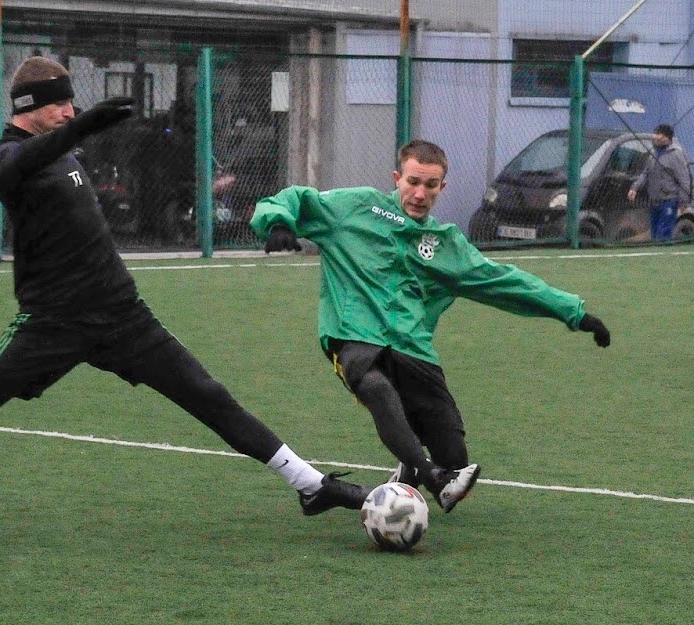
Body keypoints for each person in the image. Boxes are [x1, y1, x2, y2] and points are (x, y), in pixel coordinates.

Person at [0, 56, 367, 532]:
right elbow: (20, 162)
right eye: (59, 104)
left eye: (72, 103)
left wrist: (83, 127)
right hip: (51, 323)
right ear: (29, 108)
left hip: (121, 314)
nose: (68, 111)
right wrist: (85, 123)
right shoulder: (6, 156)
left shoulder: (66, 150)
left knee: (208, 396)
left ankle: (311, 486)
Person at [252, 139, 611, 513]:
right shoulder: (356, 207)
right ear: (397, 178)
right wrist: (278, 221)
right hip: (352, 335)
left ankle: (415, 468)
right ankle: (428, 475)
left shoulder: (446, 245)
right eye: (413, 182)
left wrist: (575, 313)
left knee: (455, 457)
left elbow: (505, 281)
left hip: (412, 348)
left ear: (443, 187)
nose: (420, 193)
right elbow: (294, 198)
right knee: (376, 387)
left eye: (430, 185)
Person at [627, 123, 692, 241]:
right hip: (654, 201)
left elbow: (684, 179)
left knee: (663, 234)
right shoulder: (653, 153)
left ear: (666, 137)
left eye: (659, 134)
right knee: (655, 233)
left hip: (669, 200)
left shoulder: (676, 154)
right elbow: (645, 174)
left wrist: (684, 202)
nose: (655, 137)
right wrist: (634, 188)